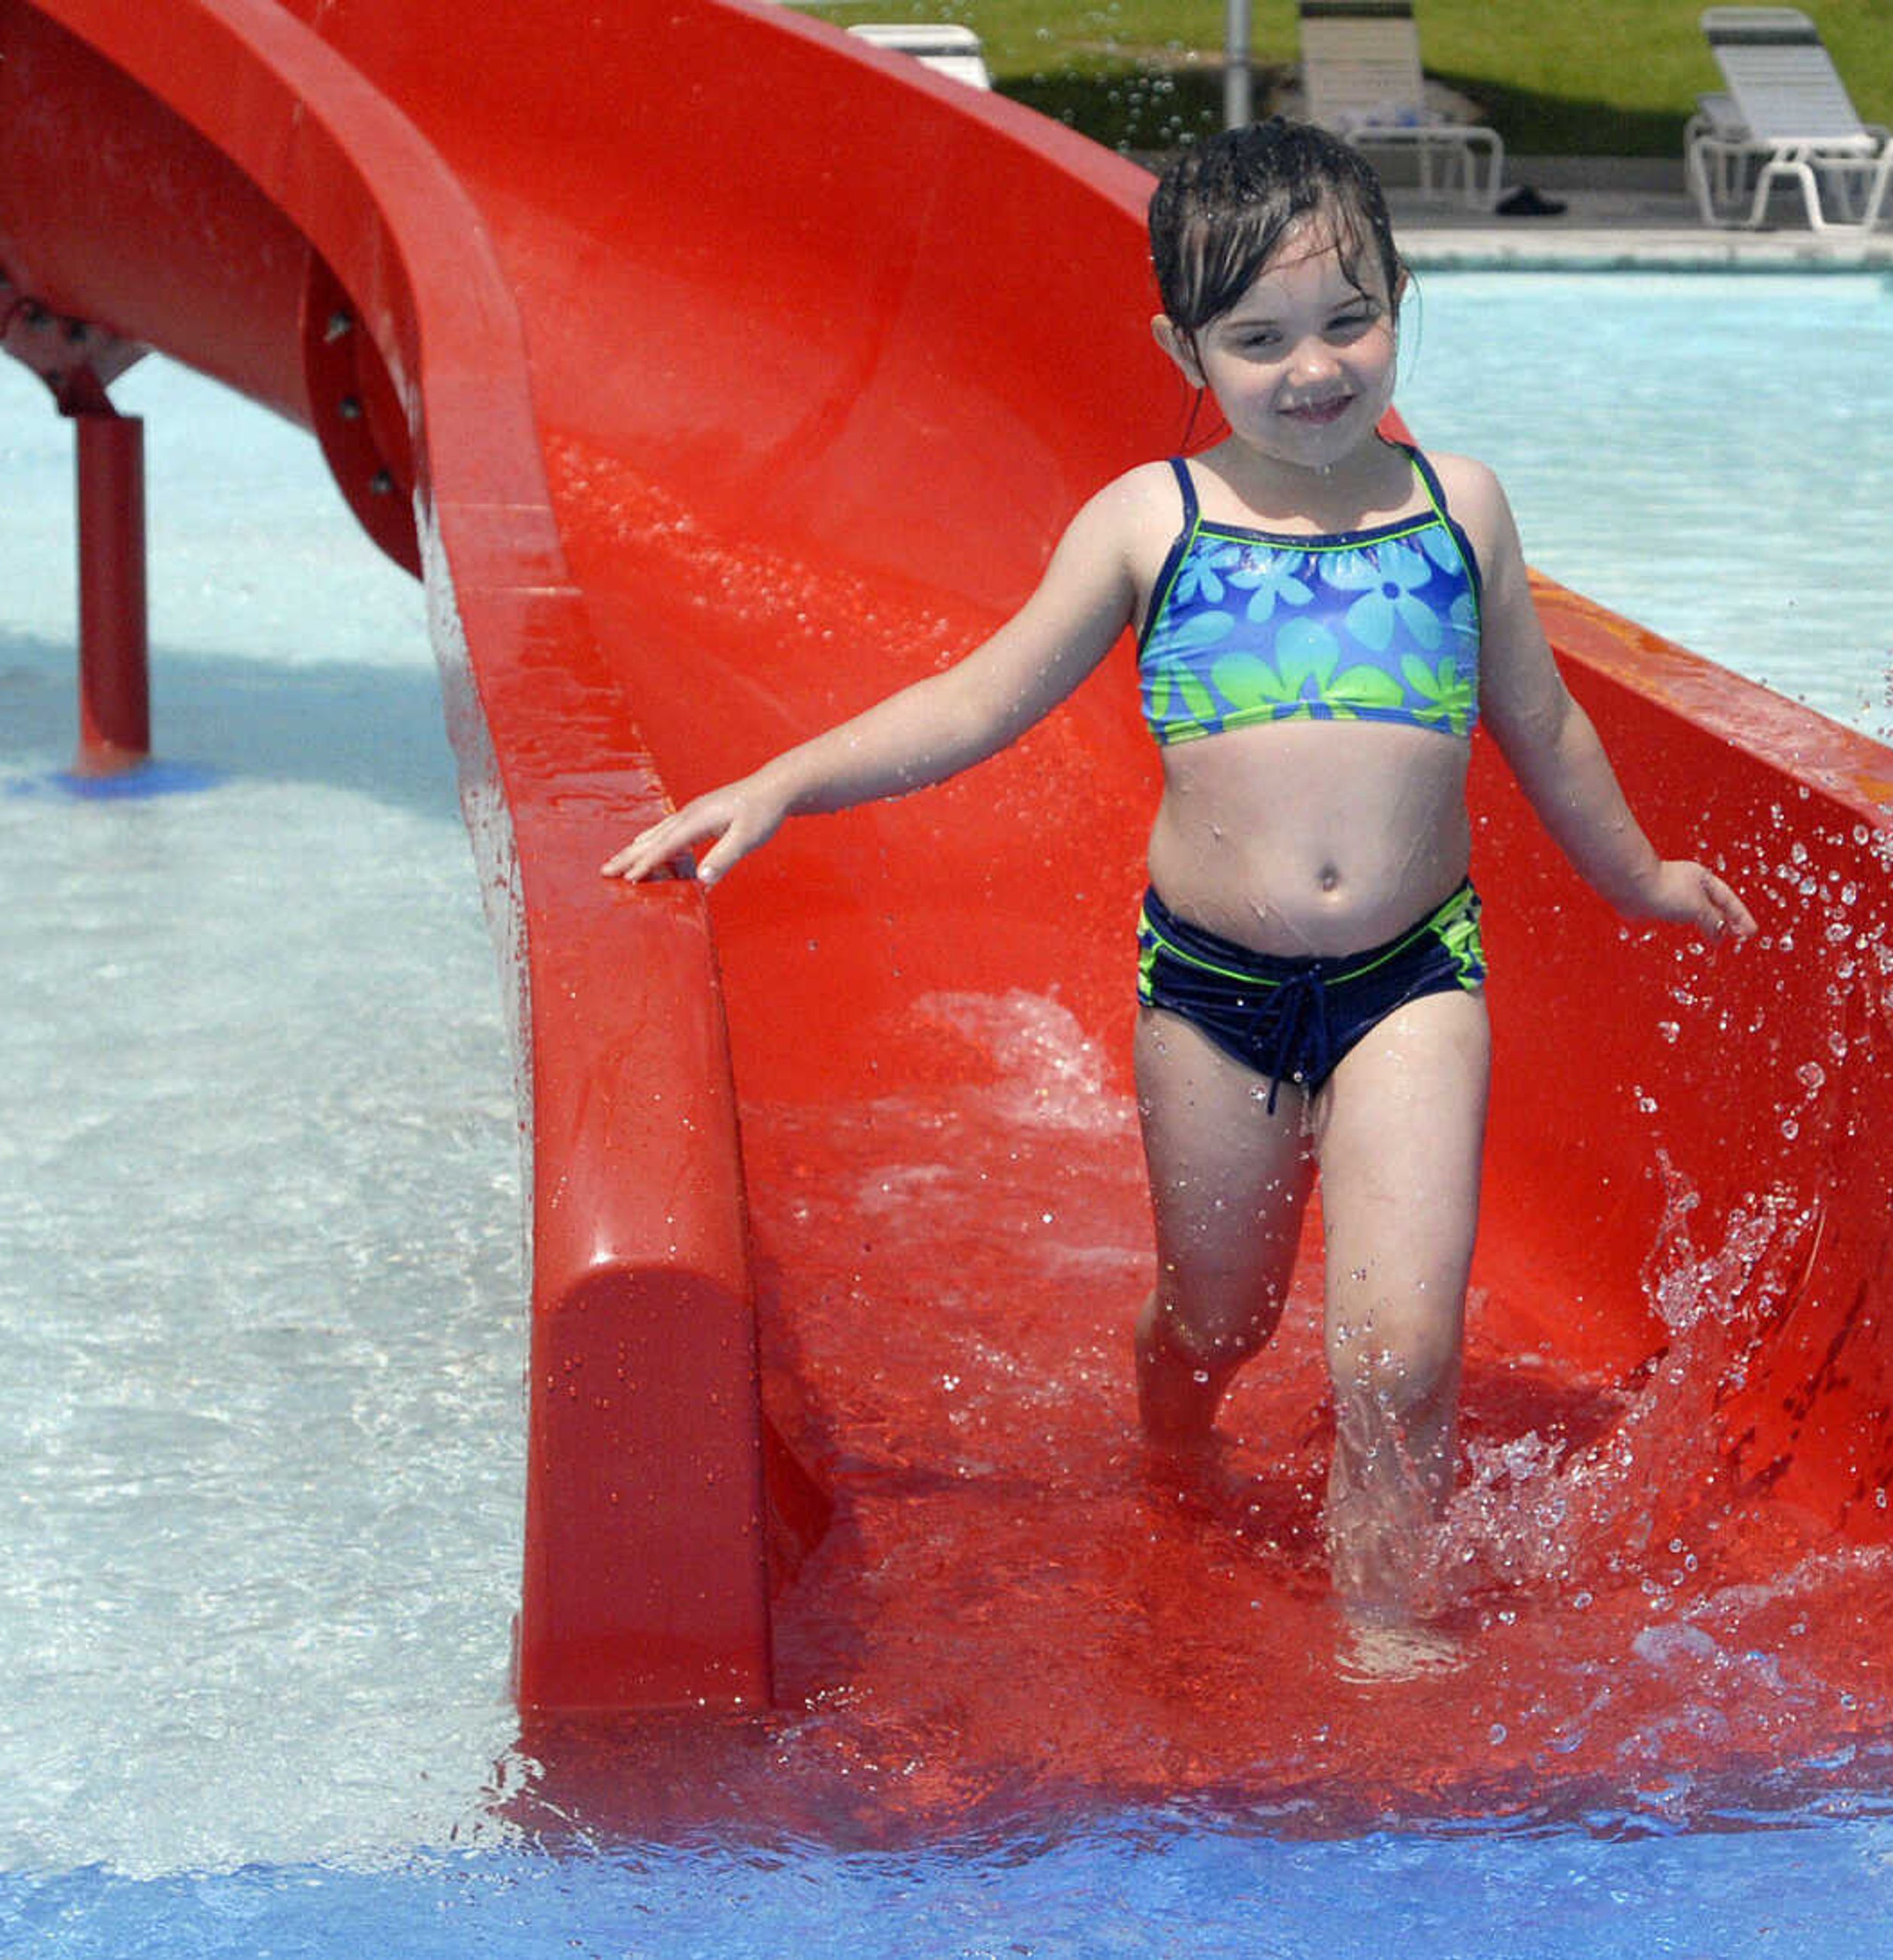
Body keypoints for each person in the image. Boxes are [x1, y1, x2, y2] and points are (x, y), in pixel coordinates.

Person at [602, 119, 1754, 1646]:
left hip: (1414, 978)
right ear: (1184, 344)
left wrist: (1640, 873)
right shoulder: (1159, 522)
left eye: (1350, 320)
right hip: (1209, 998)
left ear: (1401, 295)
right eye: (1261, 339)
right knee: (1226, 1316)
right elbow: (977, 701)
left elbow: (1539, 718)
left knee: (1398, 1353)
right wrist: (784, 781)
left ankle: (1385, 1634)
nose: (1316, 369)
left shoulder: (1456, 510)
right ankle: (1172, 1418)